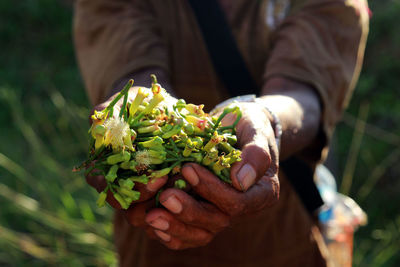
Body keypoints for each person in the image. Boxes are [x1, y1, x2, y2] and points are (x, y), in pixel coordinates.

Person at [74, 0, 369, 266]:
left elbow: (299, 92)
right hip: (154, 249)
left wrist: (266, 120)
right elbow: (131, 67)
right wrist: (137, 109)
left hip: (280, 245)